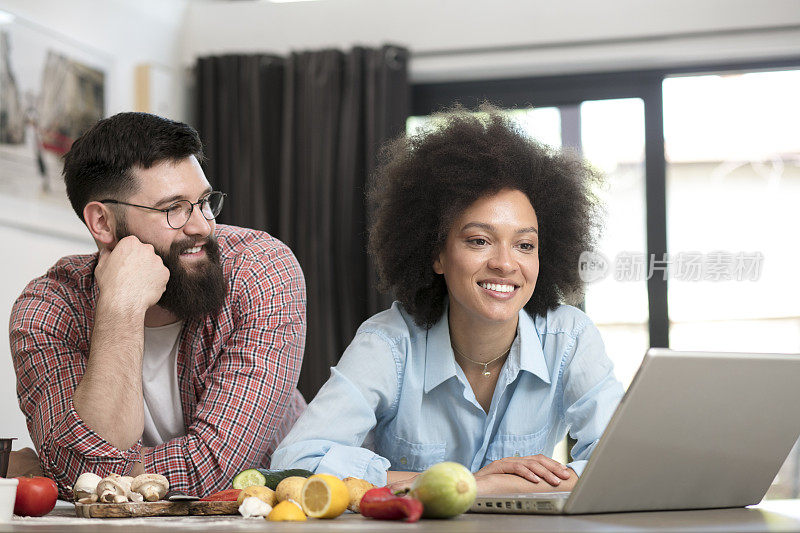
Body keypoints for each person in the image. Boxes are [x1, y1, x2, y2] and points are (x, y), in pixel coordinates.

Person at [271, 107, 624, 494]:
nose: (505, 263)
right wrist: (464, 484)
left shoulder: (569, 337)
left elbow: (623, 462)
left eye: (525, 245)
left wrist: (537, 484)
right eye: (479, 240)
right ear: (436, 253)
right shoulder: (389, 342)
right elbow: (295, 463)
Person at [9, 112, 307, 499]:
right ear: (102, 223)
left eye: (203, 202)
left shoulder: (261, 269)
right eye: (173, 208)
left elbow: (215, 471)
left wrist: (88, 472)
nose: (201, 225)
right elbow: (75, 471)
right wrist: (120, 308)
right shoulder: (47, 310)